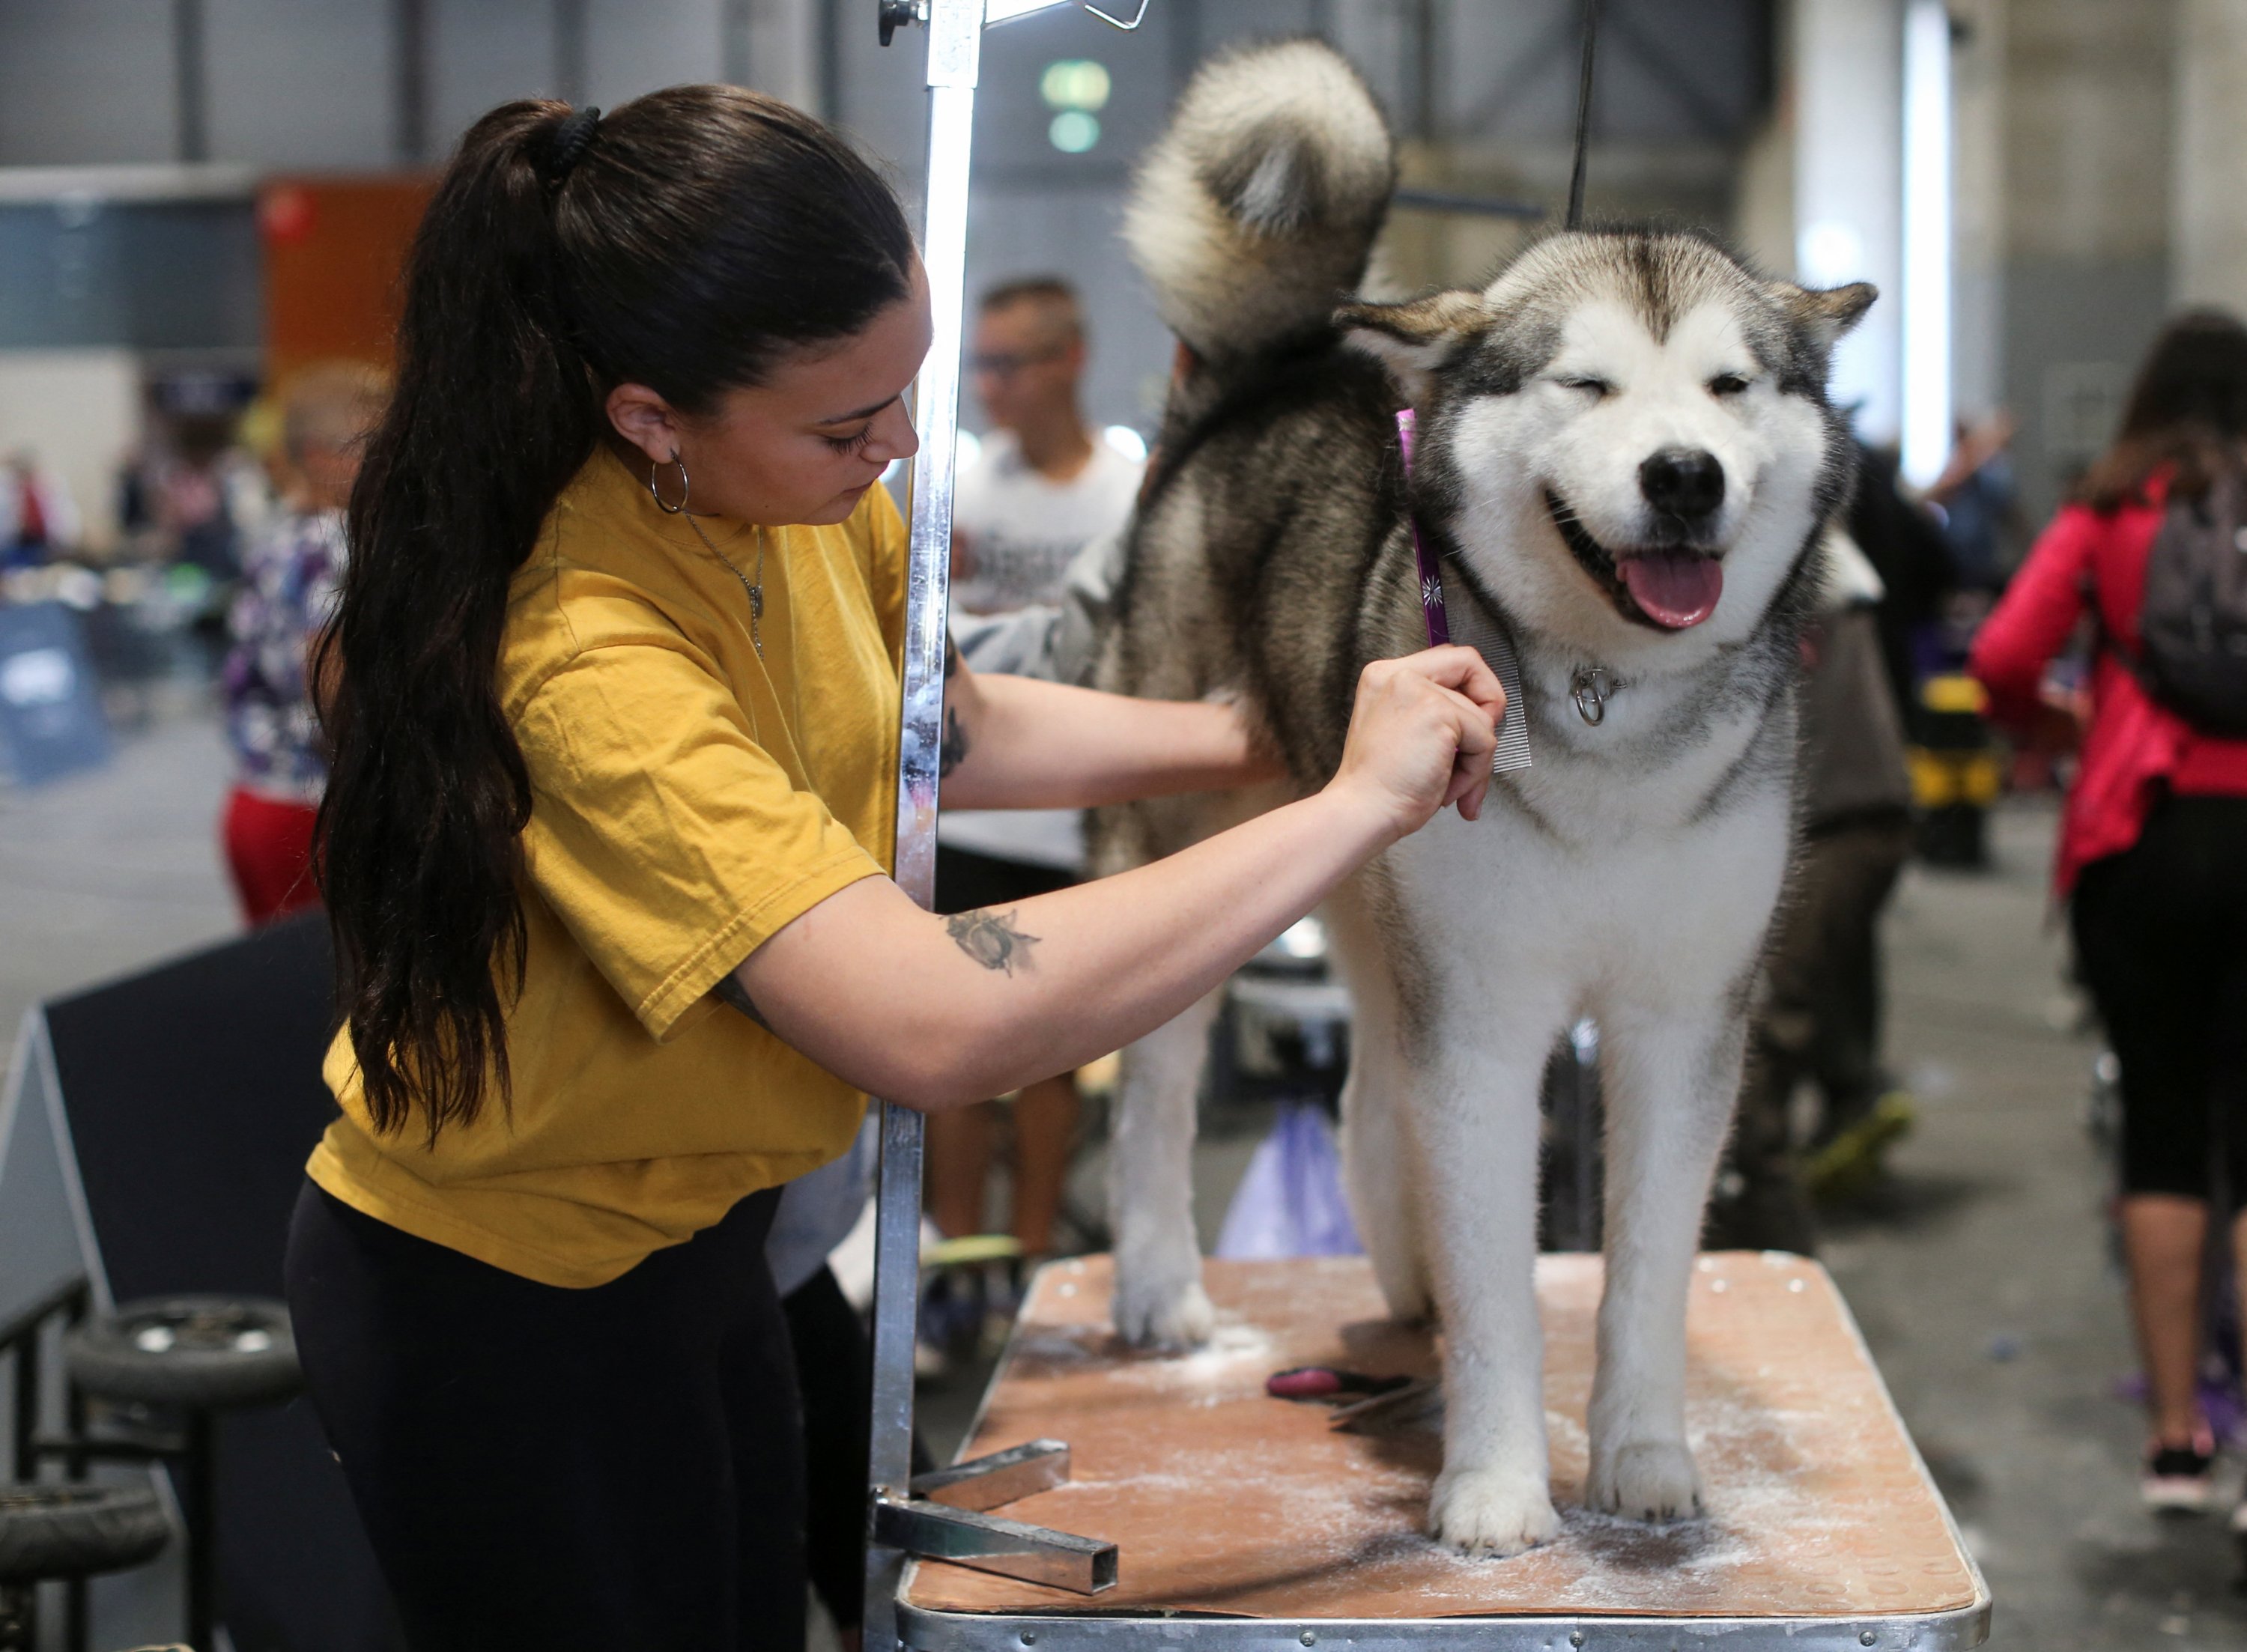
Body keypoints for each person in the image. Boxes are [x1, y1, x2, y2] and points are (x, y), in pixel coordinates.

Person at [282, 88, 1502, 1652]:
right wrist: (1346, 807)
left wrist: (1266, 733)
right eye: (851, 423)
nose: (904, 445)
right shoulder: (585, 652)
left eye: (911, 388)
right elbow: (930, 1017)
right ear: (651, 417)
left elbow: (952, 726)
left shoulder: (782, 493)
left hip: (701, 1238)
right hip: (503, 1299)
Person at [1970, 309, 2247, 1519]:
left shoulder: (2107, 505)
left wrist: (2063, 727)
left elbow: (2000, 657)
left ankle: (2180, 1443)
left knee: (2162, 1132)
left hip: (2140, 838)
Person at [927, 279, 1144, 1272]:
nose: (988, 386)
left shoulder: (1127, 497)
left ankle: (1032, 1260)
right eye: (978, 364)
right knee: (960, 1054)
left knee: (1053, 1055)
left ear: (1069, 359)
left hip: (1070, 811)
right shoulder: (964, 487)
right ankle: (957, 1263)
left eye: (1007, 363)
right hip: (971, 811)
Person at [217, 362, 385, 926]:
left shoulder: (276, 535)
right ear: (320, 458)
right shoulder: (336, 543)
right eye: (375, 450)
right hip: (311, 813)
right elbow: (328, 684)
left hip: (255, 801)